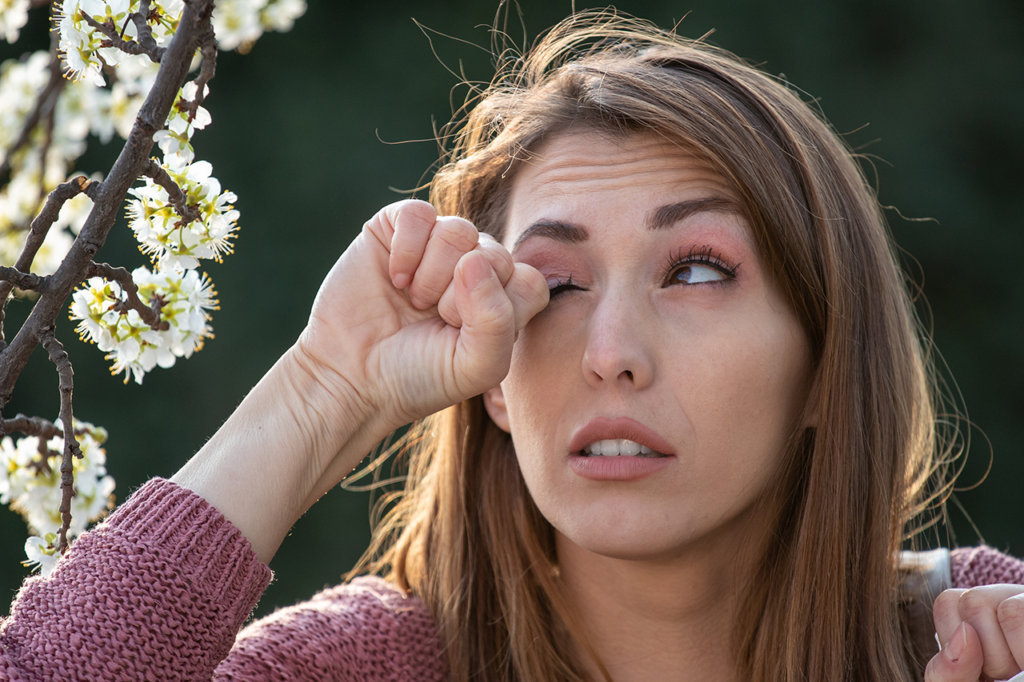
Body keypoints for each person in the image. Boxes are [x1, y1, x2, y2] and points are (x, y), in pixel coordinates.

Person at [2, 11, 1023, 682]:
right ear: (490, 376)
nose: (611, 352)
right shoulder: (367, 670)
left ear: (822, 358)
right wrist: (323, 389)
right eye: (557, 286)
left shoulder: (971, 635)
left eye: (697, 269)